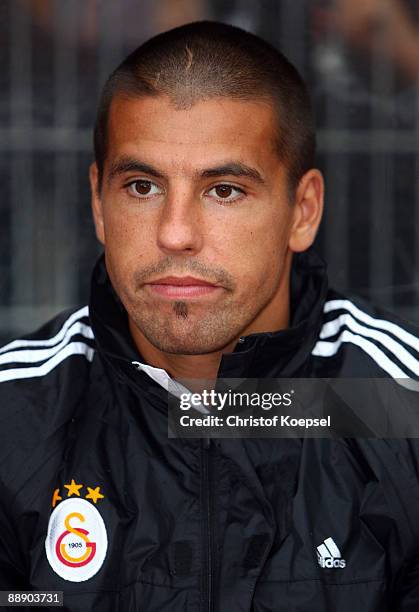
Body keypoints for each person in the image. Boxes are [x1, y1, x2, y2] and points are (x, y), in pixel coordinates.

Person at [0, 20, 419, 611]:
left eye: (224, 190)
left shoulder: (398, 405)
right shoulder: (16, 416)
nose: (175, 234)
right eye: (142, 186)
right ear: (98, 205)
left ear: (303, 211)